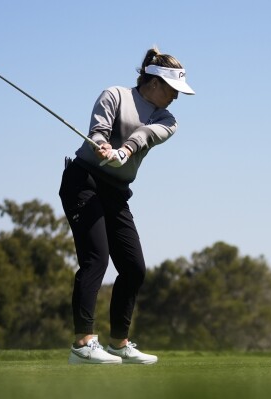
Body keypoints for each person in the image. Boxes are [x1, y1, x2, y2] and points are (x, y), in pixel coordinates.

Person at [59, 46, 194, 364]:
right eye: (173, 91)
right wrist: (105, 146)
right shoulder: (115, 95)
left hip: (116, 191)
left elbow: (146, 135)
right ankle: (83, 344)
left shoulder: (167, 119)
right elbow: (99, 130)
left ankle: (119, 343)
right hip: (84, 182)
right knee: (96, 259)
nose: (176, 98)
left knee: (134, 269)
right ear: (156, 83)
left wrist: (124, 152)